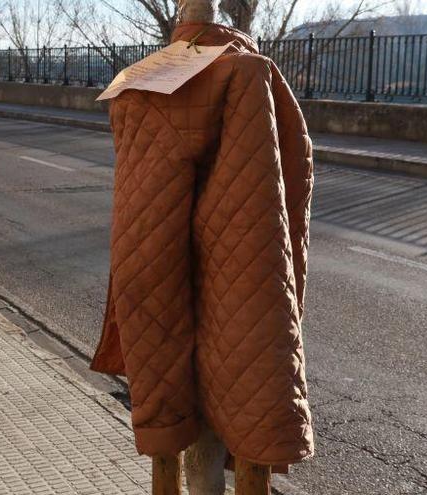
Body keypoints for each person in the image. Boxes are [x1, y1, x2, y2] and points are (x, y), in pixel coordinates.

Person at [90, 1, 316, 492]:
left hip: (168, 286)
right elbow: (278, 217)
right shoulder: (257, 76)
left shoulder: (138, 86)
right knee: (247, 376)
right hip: (250, 291)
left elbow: (142, 249)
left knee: (179, 404)